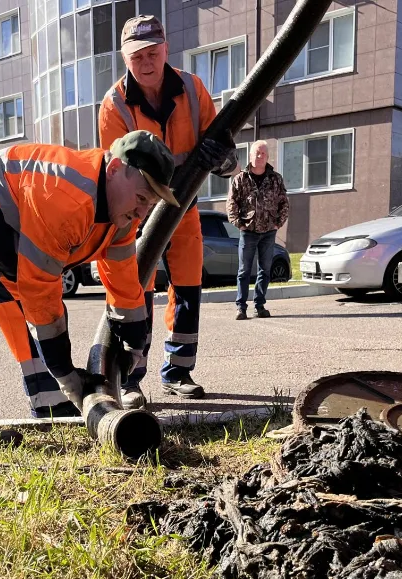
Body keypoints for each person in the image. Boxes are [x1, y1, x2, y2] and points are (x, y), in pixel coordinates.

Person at [0, 130, 178, 450]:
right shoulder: (65, 194)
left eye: (150, 204)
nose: (142, 213)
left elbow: (125, 284)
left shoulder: (119, 220)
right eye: (141, 198)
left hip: (2, 232)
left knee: (23, 306)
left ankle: (51, 405)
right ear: (113, 170)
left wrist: (134, 346)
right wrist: (67, 375)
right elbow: (40, 291)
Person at [98, 14, 239, 410]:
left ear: (166, 49)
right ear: (125, 58)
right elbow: (116, 174)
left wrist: (222, 157)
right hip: (138, 211)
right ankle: (130, 379)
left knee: (189, 287)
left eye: (152, 53)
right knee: (135, 291)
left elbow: (225, 151)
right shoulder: (114, 105)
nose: (146, 62)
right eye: (136, 56)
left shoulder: (192, 89)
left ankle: (178, 372)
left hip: (184, 205)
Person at [226, 140, 289, 319]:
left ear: (267, 157)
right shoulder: (241, 179)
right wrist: (239, 223)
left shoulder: (275, 179)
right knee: (244, 271)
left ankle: (259, 306)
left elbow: (284, 203)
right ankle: (241, 307)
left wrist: (277, 223)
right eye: (256, 153)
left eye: (263, 153)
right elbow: (231, 203)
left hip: (269, 231)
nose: (259, 156)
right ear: (250, 155)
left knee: (265, 270)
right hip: (248, 231)